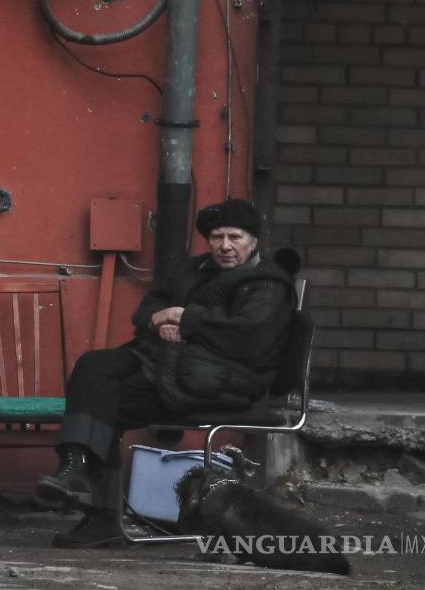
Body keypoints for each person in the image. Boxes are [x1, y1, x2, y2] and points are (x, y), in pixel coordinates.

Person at [35, 198, 296, 547]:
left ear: (254, 242)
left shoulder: (267, 285)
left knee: (103, 401)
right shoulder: (192, 270)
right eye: (217, 237)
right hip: (167, 361)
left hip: (226, 380)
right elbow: (147, 310)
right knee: (93, 365)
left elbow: (248, 338)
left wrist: (183, 320)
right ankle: (75, 466)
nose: (226, 246)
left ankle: (101, 517)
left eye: (236, 237)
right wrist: (161, 321)